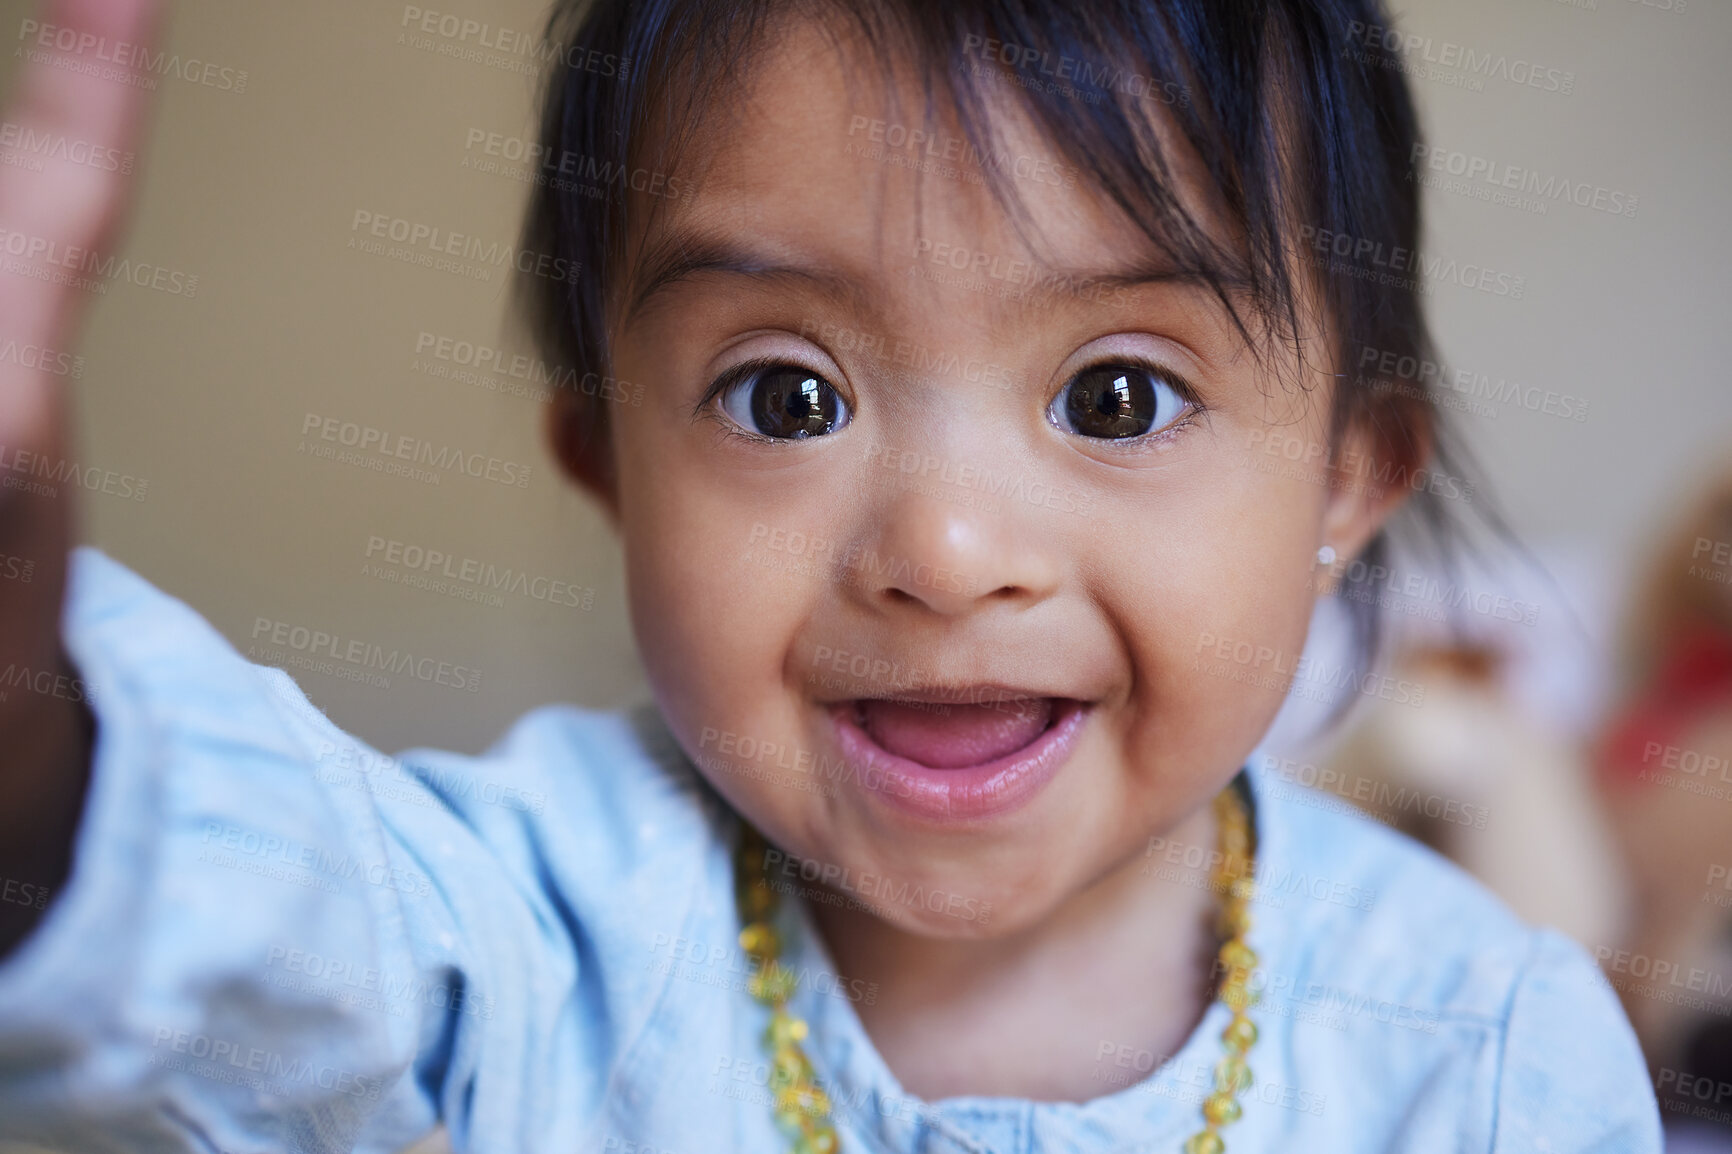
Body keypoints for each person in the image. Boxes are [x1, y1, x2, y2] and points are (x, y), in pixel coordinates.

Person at [0, 0, 1659, 1150]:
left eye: (1118, 396)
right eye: (788, 397)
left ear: (1348, 479)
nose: (943, 552)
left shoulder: (1486, 1054)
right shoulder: (540, 912)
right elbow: (223, 907)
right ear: (610, 470)